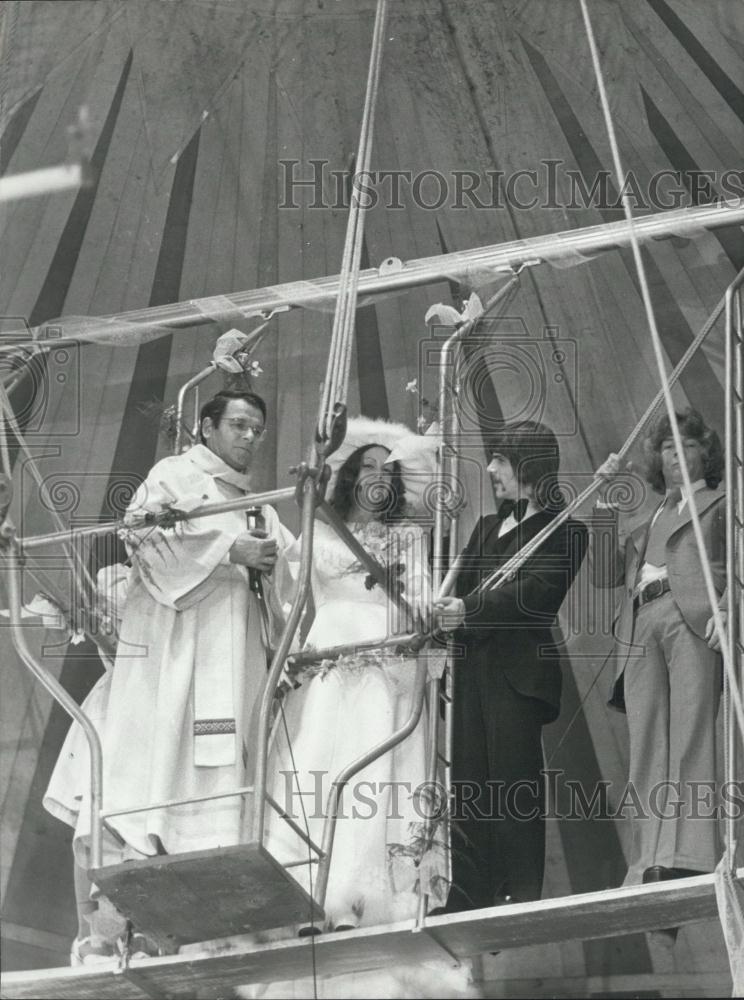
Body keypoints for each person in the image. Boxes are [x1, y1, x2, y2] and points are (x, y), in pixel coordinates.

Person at [44, 389, 294, 960]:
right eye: (238, 424)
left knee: (213, 774)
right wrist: (230, 549)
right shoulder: (174, 477)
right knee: (152, 777)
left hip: (227, 676)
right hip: (170, 662)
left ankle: (208, 916)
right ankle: (121, 923)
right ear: (207, 426)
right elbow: (143, 532)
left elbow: (296, 569)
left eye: (257, 427)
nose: (250, 436)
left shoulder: (263, 507)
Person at [264, 417, 450, 932]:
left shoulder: (408, 537)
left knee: (372, 777)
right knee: (317, 769)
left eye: (386, 470)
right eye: (366, 465)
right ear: (349, 475)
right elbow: (285, 597)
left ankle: (358, 902)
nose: (376, 475)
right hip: (328, 661)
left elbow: (424, 600)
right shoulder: (316, 530)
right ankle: (307, 894)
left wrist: (429, 608)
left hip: (385, 664)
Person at [434, 420, 588, 910]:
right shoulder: (484, 527)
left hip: (517, 676)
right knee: (469, 783)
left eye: (499, 459)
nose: (491, 468)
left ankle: (518, 889)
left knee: (512, 782)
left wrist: (469, 611)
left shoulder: (568, 530)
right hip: (471, 668)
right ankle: (468, 890)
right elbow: (457, 595)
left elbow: (537, 597)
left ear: (527, 463)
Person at [591, 408, 725, 885]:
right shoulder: (647, 520)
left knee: (692, 733)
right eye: (668, 446)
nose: (676, 453)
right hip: (640, 621)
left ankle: (688, 856)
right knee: (647, 742)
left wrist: (729, 610)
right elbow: (605, 573)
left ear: (706, 455)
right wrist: (605, 502)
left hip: (690, 617)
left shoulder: (723, 500)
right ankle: (648, 859)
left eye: (687, 445)